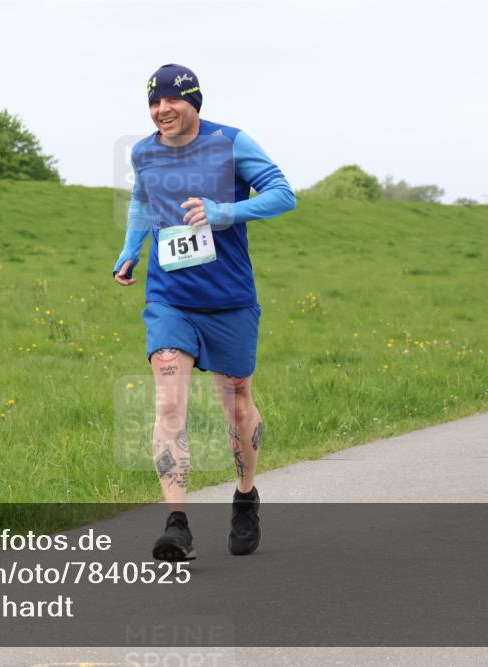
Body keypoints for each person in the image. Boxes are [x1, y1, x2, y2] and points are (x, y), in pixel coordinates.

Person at [112, 64, 296, 560]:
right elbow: (141, 202)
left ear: (194, 100)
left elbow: (283, 195)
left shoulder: (231, 143)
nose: (160, 110)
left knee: (237, 406)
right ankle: (177, 524)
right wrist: (131, 248)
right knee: (169, 403)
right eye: (153, 103)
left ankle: (245, 496)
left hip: (229, 300)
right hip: (169, 298)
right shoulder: (144, 150)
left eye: (171, 100)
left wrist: (225, 212)